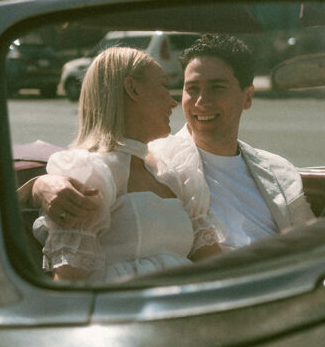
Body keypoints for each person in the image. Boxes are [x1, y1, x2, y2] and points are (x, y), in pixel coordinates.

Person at [28, 34, 314, 249]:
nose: (201, 102)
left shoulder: (279, 170)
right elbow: (94, 166)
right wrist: (41, 185)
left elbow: (312, 243)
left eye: (217, 87)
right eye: (192, 89)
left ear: (248, 97)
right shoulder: (156, 162)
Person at [33, 45, 221, 283]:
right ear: (132, 89)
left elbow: (216, 266)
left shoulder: (172, 172)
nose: (172, 102)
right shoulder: (91, 174)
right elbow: (70, 285)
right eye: (164, 86)